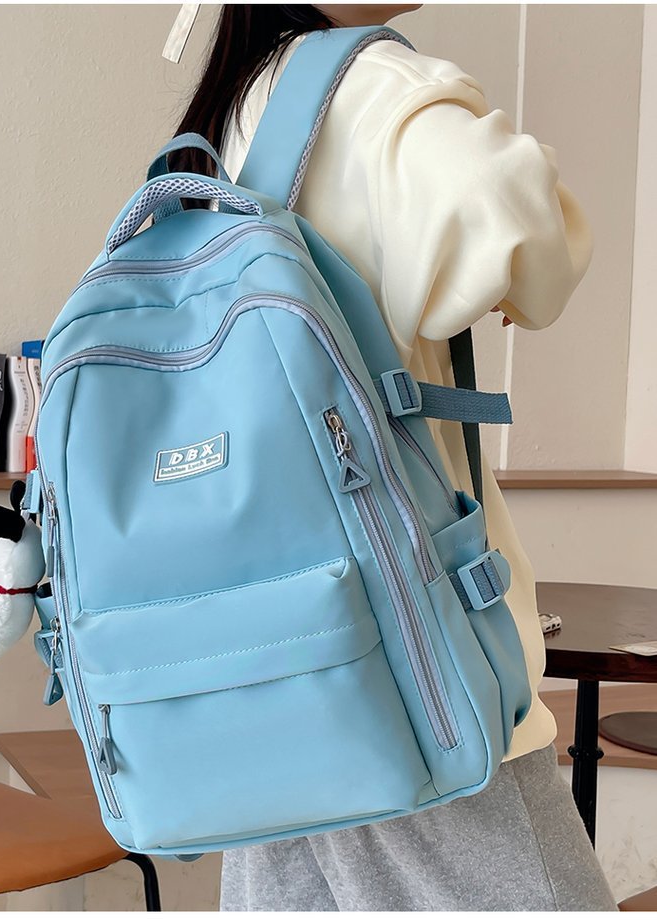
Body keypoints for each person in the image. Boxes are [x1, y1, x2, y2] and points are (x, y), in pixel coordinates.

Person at [167, 4, 618, 912]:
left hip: (266, 687)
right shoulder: (376, 86)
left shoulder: (232, 112)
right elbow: (526, 231)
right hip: (414, 674)